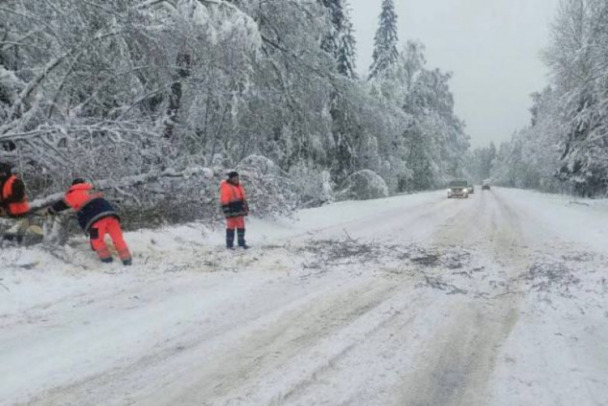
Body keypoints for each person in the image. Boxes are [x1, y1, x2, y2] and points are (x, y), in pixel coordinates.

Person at [48, 179, 132, 265]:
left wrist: (51, 210)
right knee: (118, 239)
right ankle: (127, 260)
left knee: (97, 241)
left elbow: (61, 205)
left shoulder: (73, 193)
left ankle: (107, 261)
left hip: (96, 219)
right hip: (111, 215)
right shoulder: (91, 189)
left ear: (73, 185)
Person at [0, 162, 31, 242]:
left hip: (20, 211)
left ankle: (19, 245)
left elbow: (19, 196)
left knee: (19, 234)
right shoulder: (4, 181)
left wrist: (5, 202)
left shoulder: (15, 181)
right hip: (10, 211)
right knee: (11, 231)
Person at [219, 171, 249, 249]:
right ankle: (229, 244)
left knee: (241, 226)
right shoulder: (226, 187)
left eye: (237, 178)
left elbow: (242, 197)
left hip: (239, 208)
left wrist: (245, 206)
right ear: (231, 178)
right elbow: (224, 200)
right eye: (235, 178)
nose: (236, 179)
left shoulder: (239, 186)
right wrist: (226, 211)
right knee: (230, 227)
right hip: (231, 209)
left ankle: (241, 243)